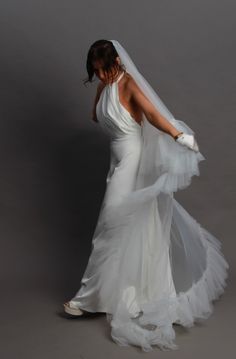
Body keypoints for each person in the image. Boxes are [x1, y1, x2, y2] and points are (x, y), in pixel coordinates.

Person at [63, 39, 229, 352]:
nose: (100, 75)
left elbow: (151, 115)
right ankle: (121, 293)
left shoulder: (127, 83)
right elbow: (96, 117)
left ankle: (86, 300)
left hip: (132, 159)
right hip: (116, 160)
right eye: (95, 71)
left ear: (116, 62)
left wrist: (180, 136)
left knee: (109, 226)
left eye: (104, 69)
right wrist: (104, 101)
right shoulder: (104, 85)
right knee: (129, 227)